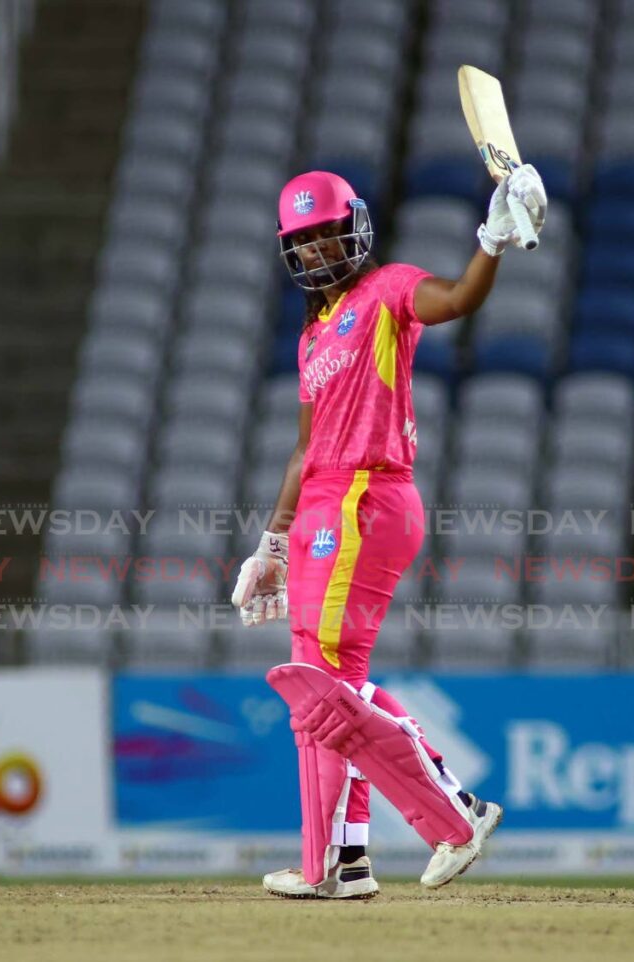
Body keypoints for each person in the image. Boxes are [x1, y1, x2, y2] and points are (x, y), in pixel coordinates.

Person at [231, 167, 547, 899]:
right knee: (327, 687)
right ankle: (340, 862)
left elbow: (458, 298)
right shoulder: (312, 337)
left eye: (325, 235)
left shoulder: (387, 292)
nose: (315, 253)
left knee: (324, 685)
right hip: (320, 508)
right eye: (302, 244)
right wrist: (271, 544)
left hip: (368, 498)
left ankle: (450, 816)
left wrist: (492, 240)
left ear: (355, 228)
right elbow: (305, 450)